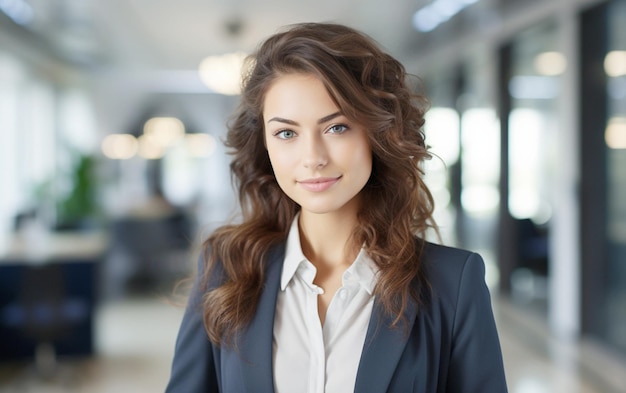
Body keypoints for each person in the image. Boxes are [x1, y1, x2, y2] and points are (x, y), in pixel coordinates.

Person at [165, 22, 508, 392]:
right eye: (286, 133)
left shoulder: (452, 282)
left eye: (337, 127)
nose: (312, 158)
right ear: (264, 145)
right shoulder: (226, 267)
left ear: (377, 133)